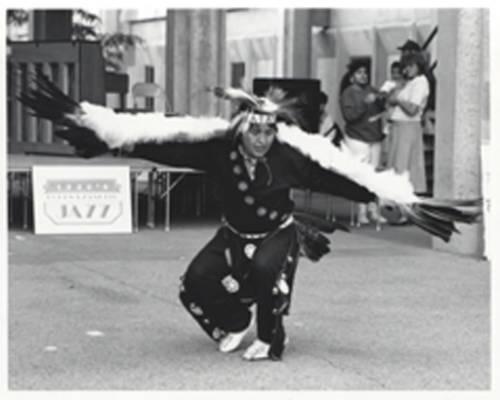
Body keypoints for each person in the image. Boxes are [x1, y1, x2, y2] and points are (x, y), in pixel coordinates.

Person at [19, 75, 478, 361]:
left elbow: (343, 178)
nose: (260, 139)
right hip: (234, 233)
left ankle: (271, 341)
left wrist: (391, 197)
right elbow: (160, 141)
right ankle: (232, 322)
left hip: (279, 232)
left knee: (265, 274)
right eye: (253, 131)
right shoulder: (218, 150)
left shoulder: (294, 157)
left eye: (267, 132)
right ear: (241, 129)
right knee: (193, 283)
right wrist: (109, 132)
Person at [339, 60, 387, 226]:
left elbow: (382, 108)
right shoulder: (348, 93)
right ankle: (361, 211)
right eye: (359, 73)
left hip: (374, 138)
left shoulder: (372, 89)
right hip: (357, 138)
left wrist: (381, 99)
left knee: (374, 177)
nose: (363, 75)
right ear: (352, 77)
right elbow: (350, 117)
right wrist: (364, 104)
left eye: (365, 72)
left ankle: (373, 209)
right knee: (361, 176)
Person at [386, 52, 430, 221]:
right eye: (405, 66)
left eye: (411, 66)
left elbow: (412, 109)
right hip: (398, 126)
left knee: (405, 168)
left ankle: (407, 211)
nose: (407, 70)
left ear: (418, 66)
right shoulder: (410, 82)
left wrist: (397, 99)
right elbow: (389, 100)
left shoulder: (421, 82)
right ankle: (401, 208)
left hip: (408, 127)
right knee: (397, 167)